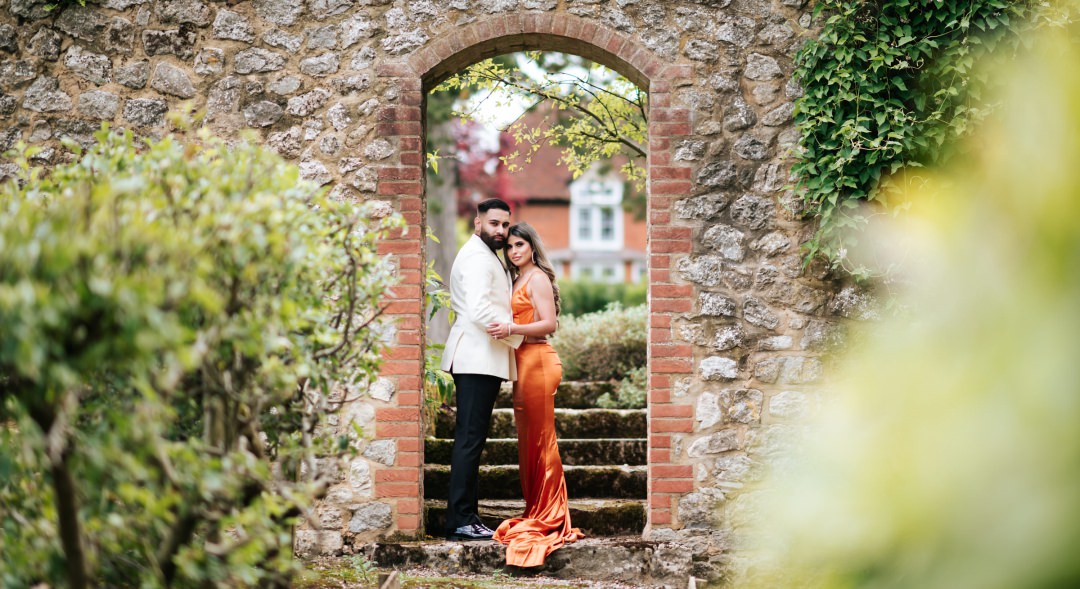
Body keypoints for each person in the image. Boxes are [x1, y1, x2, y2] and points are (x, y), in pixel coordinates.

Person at [485, 222, 584, 567]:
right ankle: (536, 507)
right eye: (510, 246)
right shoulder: (516, 278)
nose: (513, 251)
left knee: (543, 439)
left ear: (531, 247)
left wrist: (511, 328)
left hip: (539, 361)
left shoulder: (538, 277)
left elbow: (549, 323)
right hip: (522, 363)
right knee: (528, 441)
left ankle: (551, 513)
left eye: (519, 245)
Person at [440, 198, 524, 541]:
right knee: (469, 440)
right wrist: (516, 334)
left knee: (472, 440)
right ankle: (460, 520)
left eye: (505, 225)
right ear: (478, 223)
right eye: (494, 224)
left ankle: (466, 516)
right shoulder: (476, 257)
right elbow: (478, 309)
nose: (501, 231)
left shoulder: (486, 254)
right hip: (475, 358)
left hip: (481, 359)